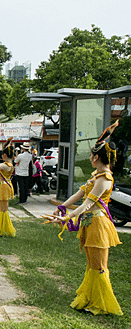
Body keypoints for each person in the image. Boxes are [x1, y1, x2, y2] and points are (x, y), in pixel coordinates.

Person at [49, 123, 122, 315]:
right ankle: (91, 299)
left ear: (96, 156)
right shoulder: (95, 176)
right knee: (91, 264)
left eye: (91, 155)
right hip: (90, 223)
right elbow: (80, 194)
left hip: (98, 224)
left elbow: (87, 204)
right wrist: (62, 207)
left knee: (99, 266)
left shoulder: (104, 179)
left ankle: (101, 304)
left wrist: (68, 217)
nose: (90, 158)